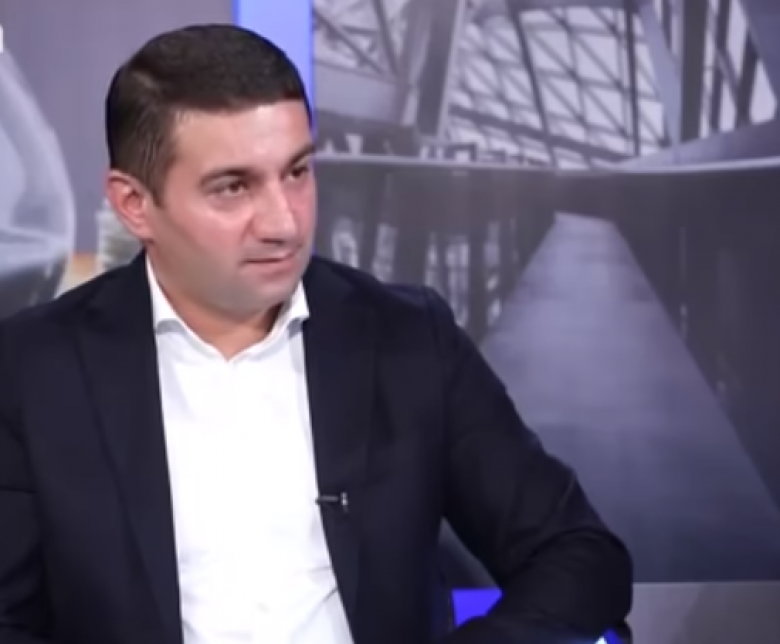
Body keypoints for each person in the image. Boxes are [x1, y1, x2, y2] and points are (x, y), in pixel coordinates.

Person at [0, 24, 632, 644]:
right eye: (233, 187)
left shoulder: (410, 340)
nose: (284, 222)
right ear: (135, 205)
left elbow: (580, 556)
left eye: (297, 172)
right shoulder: (34, 370)